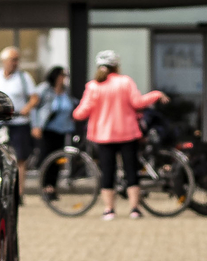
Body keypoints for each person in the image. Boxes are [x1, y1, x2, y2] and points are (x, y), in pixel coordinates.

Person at [71, 50, 167, 220]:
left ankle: (109, 210)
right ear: (116, 65)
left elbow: (81, 113)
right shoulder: (125, 82)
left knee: (107, 171)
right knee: (131, 170)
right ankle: (134, 209)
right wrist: (156, 94)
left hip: (104, 136)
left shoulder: (94, 86)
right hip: (127, 133)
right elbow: (138, 103)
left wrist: (75, 112)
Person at [0, 45, 38, 168]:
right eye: (13, 60)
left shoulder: (23, 77)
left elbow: (34, 97)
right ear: (4, 61)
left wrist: (27, 108)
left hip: (18, 122)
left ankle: (20, 187)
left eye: (17, 60)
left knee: (20, 157)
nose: (15, 63)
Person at [33, 66, 76, 197]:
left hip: (62, 129)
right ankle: (46, 186)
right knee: (47, 158)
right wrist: (35, 126)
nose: (64, 78)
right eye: (62, 75)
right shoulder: (44, 89)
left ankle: (53, 186)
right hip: (47, 129)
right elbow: (34, 107)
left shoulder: (66, 91)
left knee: (59, 160)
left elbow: (72, 103)